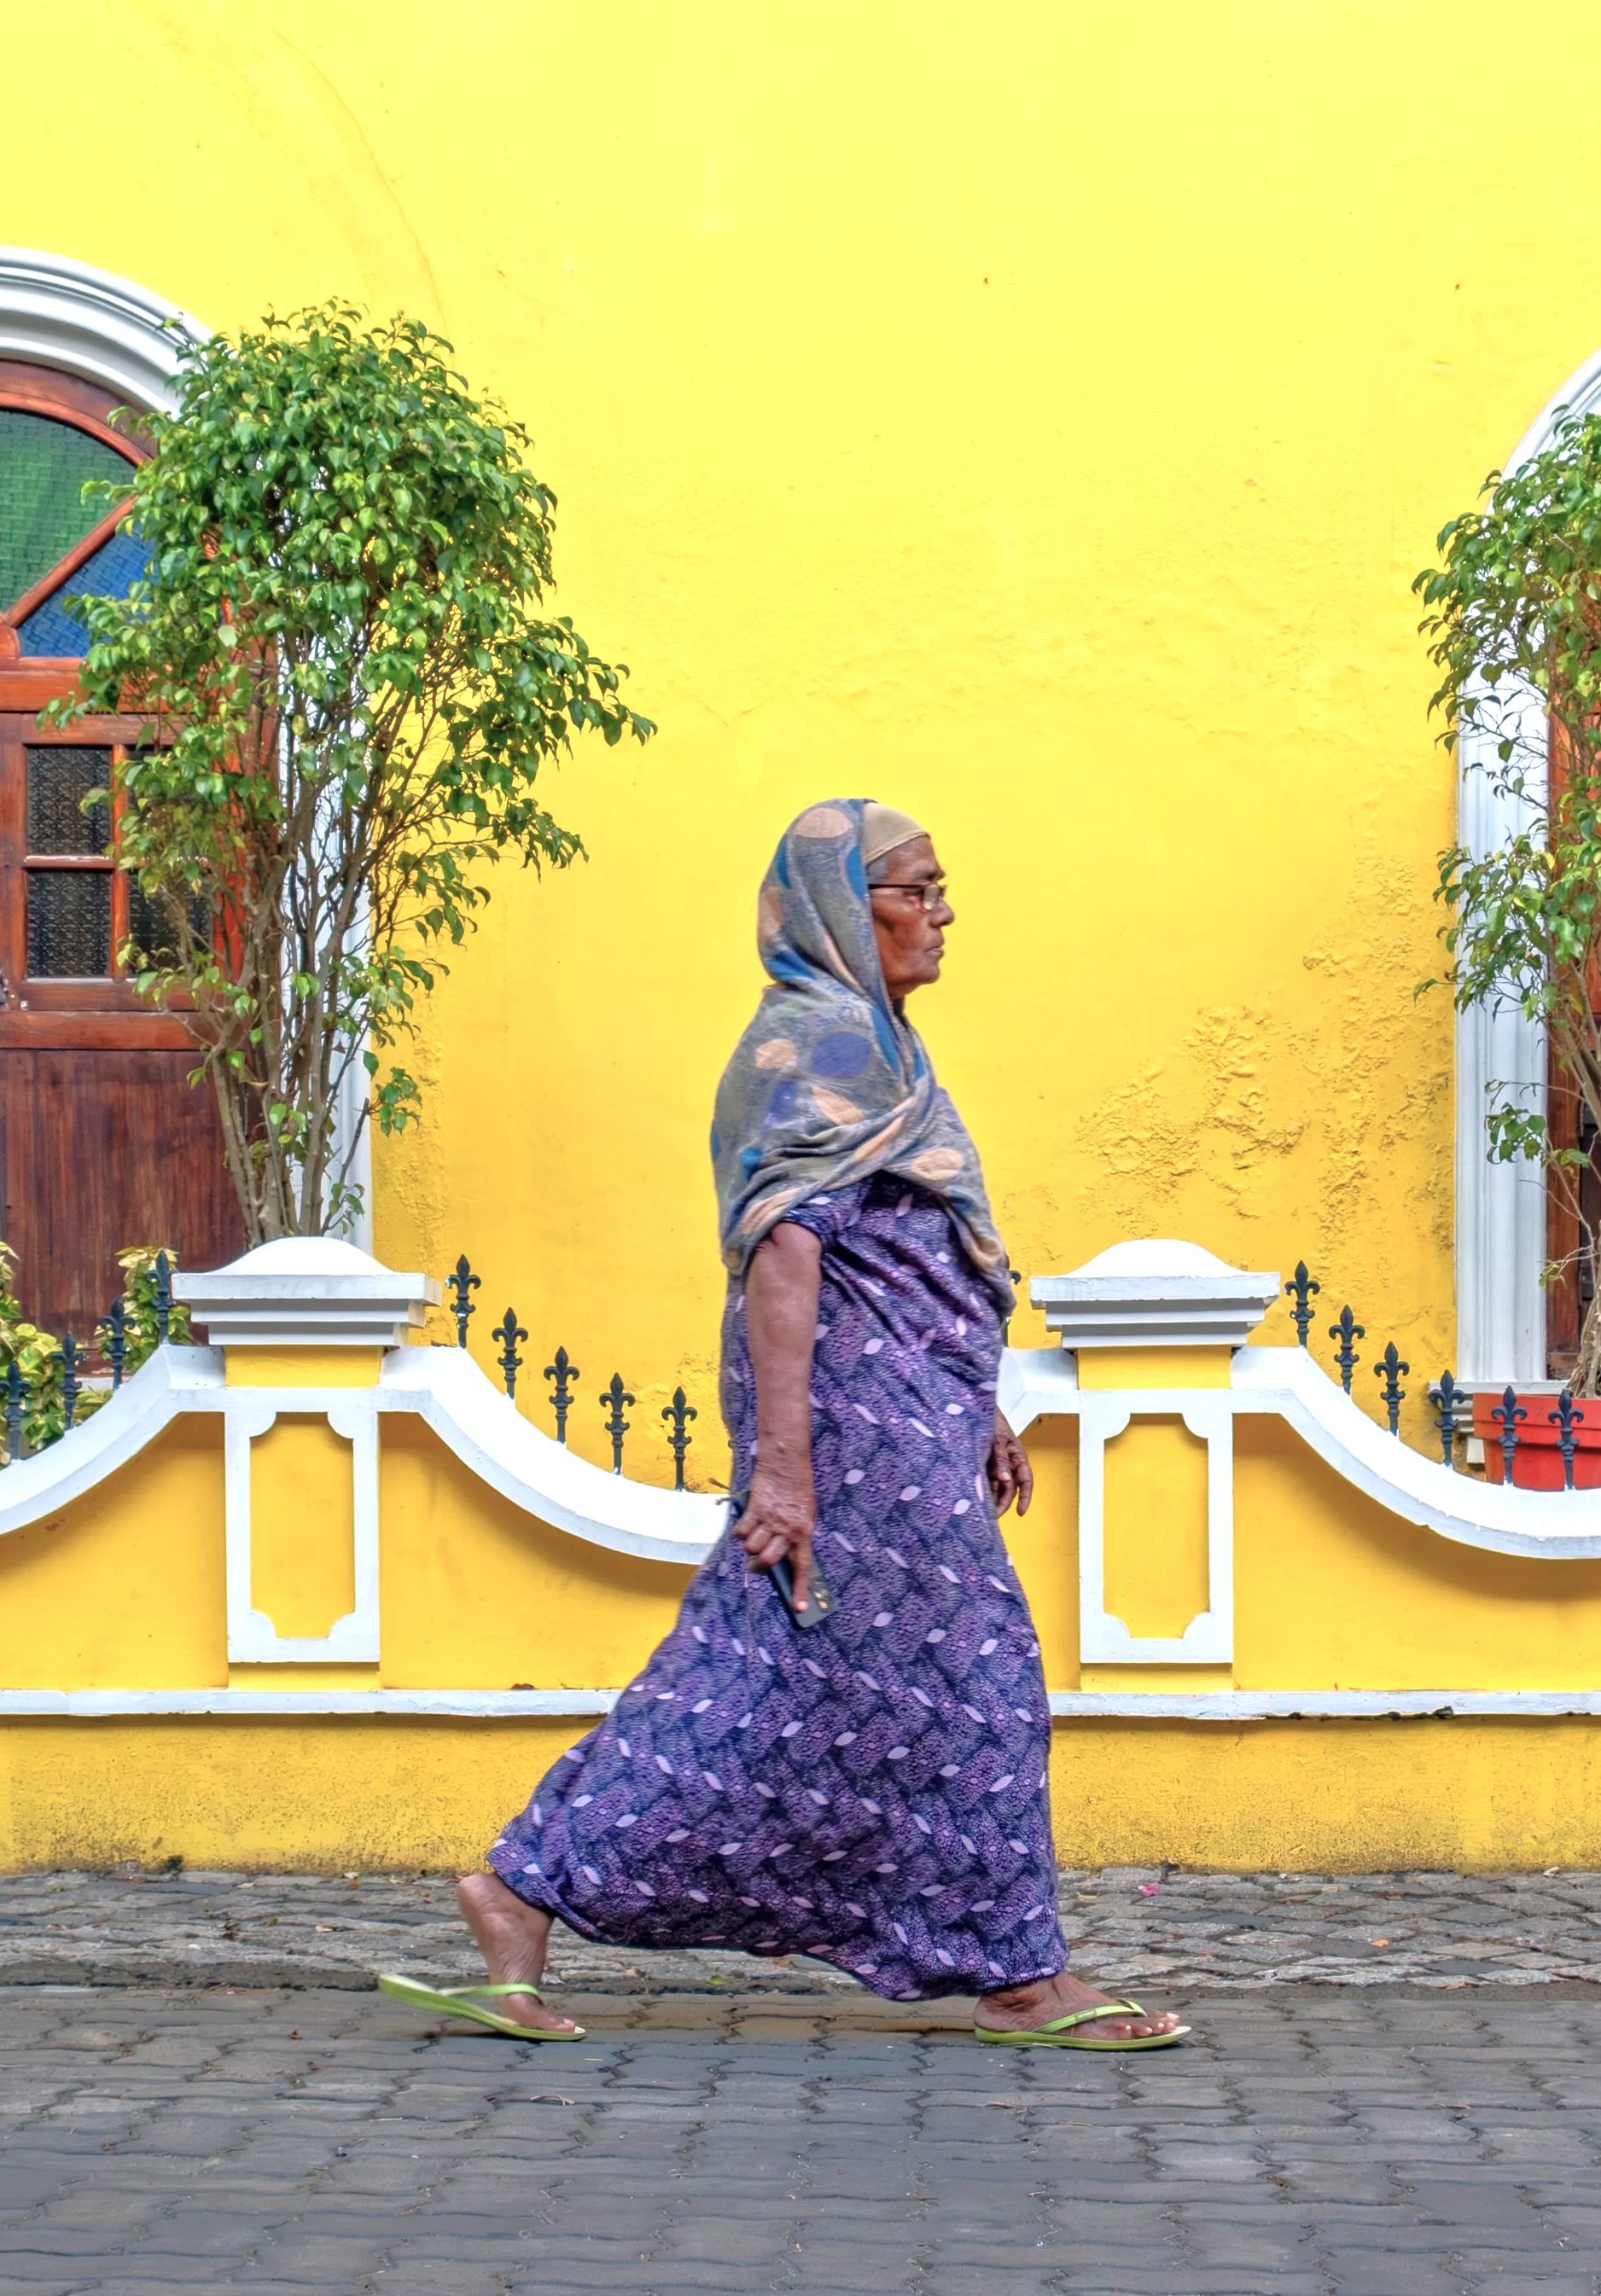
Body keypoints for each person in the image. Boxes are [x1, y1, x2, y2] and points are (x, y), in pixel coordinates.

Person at [380, 799, 1185, 2049]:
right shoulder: (820, 1048)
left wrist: (979, 1403)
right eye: (911, 888)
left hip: (903, 1410)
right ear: (836, 907)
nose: (941, 910)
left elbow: (909, 1254)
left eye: (937, 885)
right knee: (977, 1677)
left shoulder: (877, 1043)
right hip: (847, 1419)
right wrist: (787, 1475)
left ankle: (520, 1889)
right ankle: (1015, 1974)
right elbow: (785, 1266)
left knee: (770, 1681)